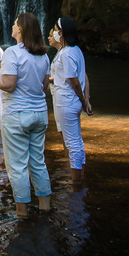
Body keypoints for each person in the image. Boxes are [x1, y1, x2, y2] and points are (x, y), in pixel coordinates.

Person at [0, 12, 52, 218]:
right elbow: (44, 86)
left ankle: (22, 213)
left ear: (22, 30)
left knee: (17, 165)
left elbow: (8, 85)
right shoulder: (43, 55)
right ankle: (45, 207)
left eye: (15, 24)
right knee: (38, 162)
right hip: (40, 114)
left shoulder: (12, 53)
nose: (12, 27)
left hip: (17, 114)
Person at [48, 17, 92, 185]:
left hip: (66, 101)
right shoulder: (76, 51)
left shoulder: (66, 53)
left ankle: (76, 183)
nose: (54, 33)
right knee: (77, 141)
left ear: (63, 32)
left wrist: (83, 99)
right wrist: (86, 101)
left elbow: (74, 80)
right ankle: (79, 177)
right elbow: (84, 77)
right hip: (72, 102)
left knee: (72, 143)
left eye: (56, 30)